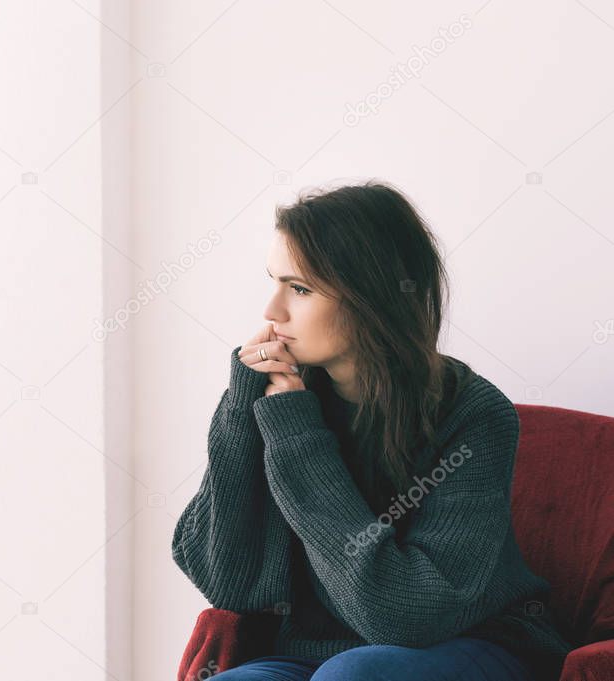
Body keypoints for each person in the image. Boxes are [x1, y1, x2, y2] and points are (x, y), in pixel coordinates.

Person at [171, 181, 573, 681]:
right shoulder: (277, 394)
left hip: (468, 645)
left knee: (355, 673)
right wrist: (241, 406)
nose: (271, 312)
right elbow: (228, 583)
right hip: (308, 654)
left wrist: (297, 437)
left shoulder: (473, 414)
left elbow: (406, 617)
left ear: (372, 296)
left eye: (299, 289)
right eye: (274, 282)